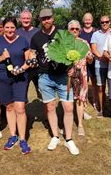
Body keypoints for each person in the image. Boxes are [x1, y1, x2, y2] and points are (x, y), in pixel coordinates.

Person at [30, 8, 79, 155]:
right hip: (45, 77)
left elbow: (73, 53)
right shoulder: (36, 37)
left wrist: (73, 68)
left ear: (53, 18)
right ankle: (55, 136)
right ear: (40, 21)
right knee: (50, 107)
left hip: (63, 76)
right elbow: (33, 53)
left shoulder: (63, 33)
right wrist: (31, 59)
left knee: (68, 108)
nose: (46, 21)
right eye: (43, 19)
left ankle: (69, 139)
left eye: (48, 18)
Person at [0, 17, 32, 155]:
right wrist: (2, 57)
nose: (9, 30)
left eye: (12, 27)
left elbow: (29, 61)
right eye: (6, 27)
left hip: (19, 77)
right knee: (9, 107)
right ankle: (13, 136)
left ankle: (23, 139)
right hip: (2, 78)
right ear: (3, 28)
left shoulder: (23, 40)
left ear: (16, 27)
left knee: (20, 107)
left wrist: (21, 69)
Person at [67, 20, 93, 136]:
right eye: (72, 29)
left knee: (80, 99)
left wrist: (89, 58)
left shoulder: (84, 43)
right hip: (68, 76)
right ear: (68, 30)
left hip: (81, 75)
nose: (74, 31)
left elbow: (90, 59)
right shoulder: (64, 44)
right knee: (67, 100)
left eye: (77, 29)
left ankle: (80, 125)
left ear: (80, 30)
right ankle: (66, 123)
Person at [90, 15, 111, 118]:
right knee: (101, 88)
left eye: (106, 21)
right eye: (102, 22)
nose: (104, 23)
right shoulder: (95, 34)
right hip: (99, 65)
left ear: (110, 22)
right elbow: (93, 49)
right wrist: (101, 57)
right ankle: (102, 110)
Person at [17, 10, 40, 98]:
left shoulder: (38, 32)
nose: (26, 20)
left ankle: (46, 111)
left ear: (31, 19)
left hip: (37, 68)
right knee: (21, 95)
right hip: (22, 67)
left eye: (28, 18)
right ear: (20, 19)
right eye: (24, 18)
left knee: (43, 94)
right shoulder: (16, 33)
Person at [79, 13, 96, 117]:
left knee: (94, 82)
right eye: (86, 20)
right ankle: (83, 102)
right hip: (82, 61)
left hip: (93, 60)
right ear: (83, 20)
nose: (88, 21)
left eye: (89, 19)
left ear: (92, 20)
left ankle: (95, 101)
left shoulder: (96, 31)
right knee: (83, 83)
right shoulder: (80, 31)